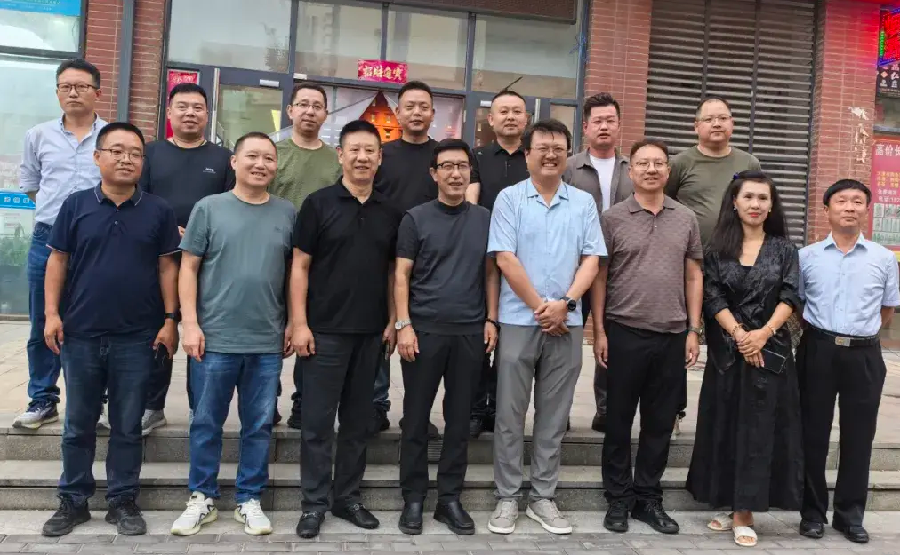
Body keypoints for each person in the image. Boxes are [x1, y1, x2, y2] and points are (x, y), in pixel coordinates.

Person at [40, 122, 180, 537]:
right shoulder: (76, 205)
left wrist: (170, 320)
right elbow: (58, 261)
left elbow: (167, 267)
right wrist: (51, 314)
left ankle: (122, 500)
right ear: (97, 157)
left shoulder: (159, 210)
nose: (126, 159)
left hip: (137, 336)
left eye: (135, 153)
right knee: (78, 423)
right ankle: (73, 500)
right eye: (117, 151)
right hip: (81, 333)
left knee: (128, 424)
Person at [169, 132, 294, 537]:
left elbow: (293, 274)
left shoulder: (287, 213)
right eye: (252, 156)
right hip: (214, 338)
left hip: (266, 340)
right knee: (206, 422)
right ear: (234, 162)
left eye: (269, 158)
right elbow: (188, 267)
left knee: (258, 425)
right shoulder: (209, 208)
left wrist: (293, 321)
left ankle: (249, 498)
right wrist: (189, 323)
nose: (261, 164)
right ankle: (201, 496)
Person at [487, 119, 603, 536]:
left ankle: (542, 497)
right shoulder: (509, 199)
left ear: (567, 154)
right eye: (543, 148)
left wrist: (566, 304)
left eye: (558, 148)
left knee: (553, 417)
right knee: (509, 414)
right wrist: (542, 308)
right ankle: (506, 497)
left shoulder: (583, 203)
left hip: (567, 323)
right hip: (520, 320)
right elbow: (505, 258)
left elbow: (592, 259)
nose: (551, 155)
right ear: (527, 154)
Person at [293, 120, 402, 539]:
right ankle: (314, 503)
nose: (362, 157)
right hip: (324, 332)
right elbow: (300, 266)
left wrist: (393, 320)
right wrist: (299, 323)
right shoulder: (318, 204)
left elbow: (393, 272)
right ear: (340, 155)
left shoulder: (391, 212)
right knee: (317, 424)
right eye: (354, 149)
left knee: (358, 423)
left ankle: (347, 497)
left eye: (369, 151)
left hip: (371, 334)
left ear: (380, 158)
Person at [686, 171, 803, 548]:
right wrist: (739, 335)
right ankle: (732, 501)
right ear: (734, 203)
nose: (755, 204)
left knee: (760, 430)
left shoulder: (784, 249)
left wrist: (762, 334)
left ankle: (744, 513)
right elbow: (712, 296)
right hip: (728, 352)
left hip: (771, 353)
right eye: (748, 197)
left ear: (771, 206)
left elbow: (791, 295)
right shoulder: (718, 248)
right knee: (726, 426)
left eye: (763, 198)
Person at [598, 139, 702, 536]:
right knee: (618, 421)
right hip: (624, 331)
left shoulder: (685, 218)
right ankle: (618, 499)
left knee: (659, 423)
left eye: (659, 163)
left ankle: (647, 498)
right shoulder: (612, 218)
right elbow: (600, 276)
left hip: (672, 334)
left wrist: (693, 329)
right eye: (643, 163)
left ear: (668, 171)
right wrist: (600, 330)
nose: (651, 169)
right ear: (631, 171)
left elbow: (693, 275)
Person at [396, 139, 498, 536]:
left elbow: (491, 273)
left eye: (462, 166)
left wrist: (491, 319)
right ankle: (413, 497)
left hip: (470, 332)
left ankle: (449, 499)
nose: (455, 174)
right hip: (423, 332)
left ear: (470, 172)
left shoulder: (485, 218)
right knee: (416, 418)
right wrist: (403, 324)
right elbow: (401, 274)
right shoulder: (416, 218)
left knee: (459, 421)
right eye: (447, 167)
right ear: (434, 173)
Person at [797, 179, 899, 545]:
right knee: (812, 433)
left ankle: (850, 515)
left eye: (858, 201)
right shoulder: (806, 257)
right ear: (826, 209)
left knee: (859, 436)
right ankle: (811, 513)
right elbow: (798, 305)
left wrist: (860, 334)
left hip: (864, 355)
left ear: (867, 210)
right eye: (842, 201)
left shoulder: (882, 258)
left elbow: (887, 309)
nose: (850, 207)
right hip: (818, 350)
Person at [16, 58, 108, 430]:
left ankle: (94, 403)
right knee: (44, 319)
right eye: (65, 86)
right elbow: (32, 185)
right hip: (49, 238)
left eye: (81, 86)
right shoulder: (38, 135)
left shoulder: (112, 136)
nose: (73, 92)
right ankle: (42, 399)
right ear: (57, 92)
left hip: (99, 242)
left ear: (97, 92)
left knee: (96, 323)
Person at [138, 82, 235, 435]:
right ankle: (153, 406)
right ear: (169, 112)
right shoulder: (151, 154)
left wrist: (196, 234)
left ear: (207, 115)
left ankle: (199, 408)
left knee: (201, 335)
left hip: (207, 263)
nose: (190, 113)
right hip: (159, 259)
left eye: (197, 107)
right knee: (158, 332)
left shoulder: (223, 159)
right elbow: (139, 201)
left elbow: (232, 207)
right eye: (182, 106)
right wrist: (168, 230)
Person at [665, 96, 761, 430]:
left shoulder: (748, 161)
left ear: (732, 123)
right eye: (709, 119)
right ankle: (673, 410)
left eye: (723, 118)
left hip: (734, 267)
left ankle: (729, 411)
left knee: (728, 338)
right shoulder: (680, 163)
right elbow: (665, 204)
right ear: (696, 126)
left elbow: (758, 203)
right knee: (679, 338)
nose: (716, 124)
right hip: (687, 266)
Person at [270, 82, 342, 431]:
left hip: (318, 260)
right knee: (271, 328)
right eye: (303, 104)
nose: (310, 111)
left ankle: (303, 401)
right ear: (290, 110)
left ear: (326, 114)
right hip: (274, 253)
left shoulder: (334, 160)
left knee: (308, 328)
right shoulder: (273, 153)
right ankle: (266, 399)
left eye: (317, 105)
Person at [562, 92, 634, 433]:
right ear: (586, 127)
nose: (604, 126)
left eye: (610, 120)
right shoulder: (569, 167)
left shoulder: (633, 168)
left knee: (612, 340)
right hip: (575, 268)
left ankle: (605, 409)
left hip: (620, 271)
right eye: (598, 121)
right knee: (565, 341)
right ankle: (559, 409)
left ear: (619, 125)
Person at [373, 80, 440, 435]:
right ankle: (376, 404)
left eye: (423, 106)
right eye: (409, 106)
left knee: (421, 337)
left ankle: (417, 411)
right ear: (398, 113)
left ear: (433, 113)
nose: (416, 112)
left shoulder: (442, 156)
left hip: (430, 263)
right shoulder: (382, 154)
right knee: (383, 331)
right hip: (383, 258)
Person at [464, 89, 529, 439]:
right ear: (491, 119)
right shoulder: (476, 157)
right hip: (484, 260)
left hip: (524, 261)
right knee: (479, 337)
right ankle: (477, 408)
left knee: (512, 344)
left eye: (517, 111)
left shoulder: (534, 157)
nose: (510, 117)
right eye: (503, 111)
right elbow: (471, 204)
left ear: (526, 119)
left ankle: (501, 408)